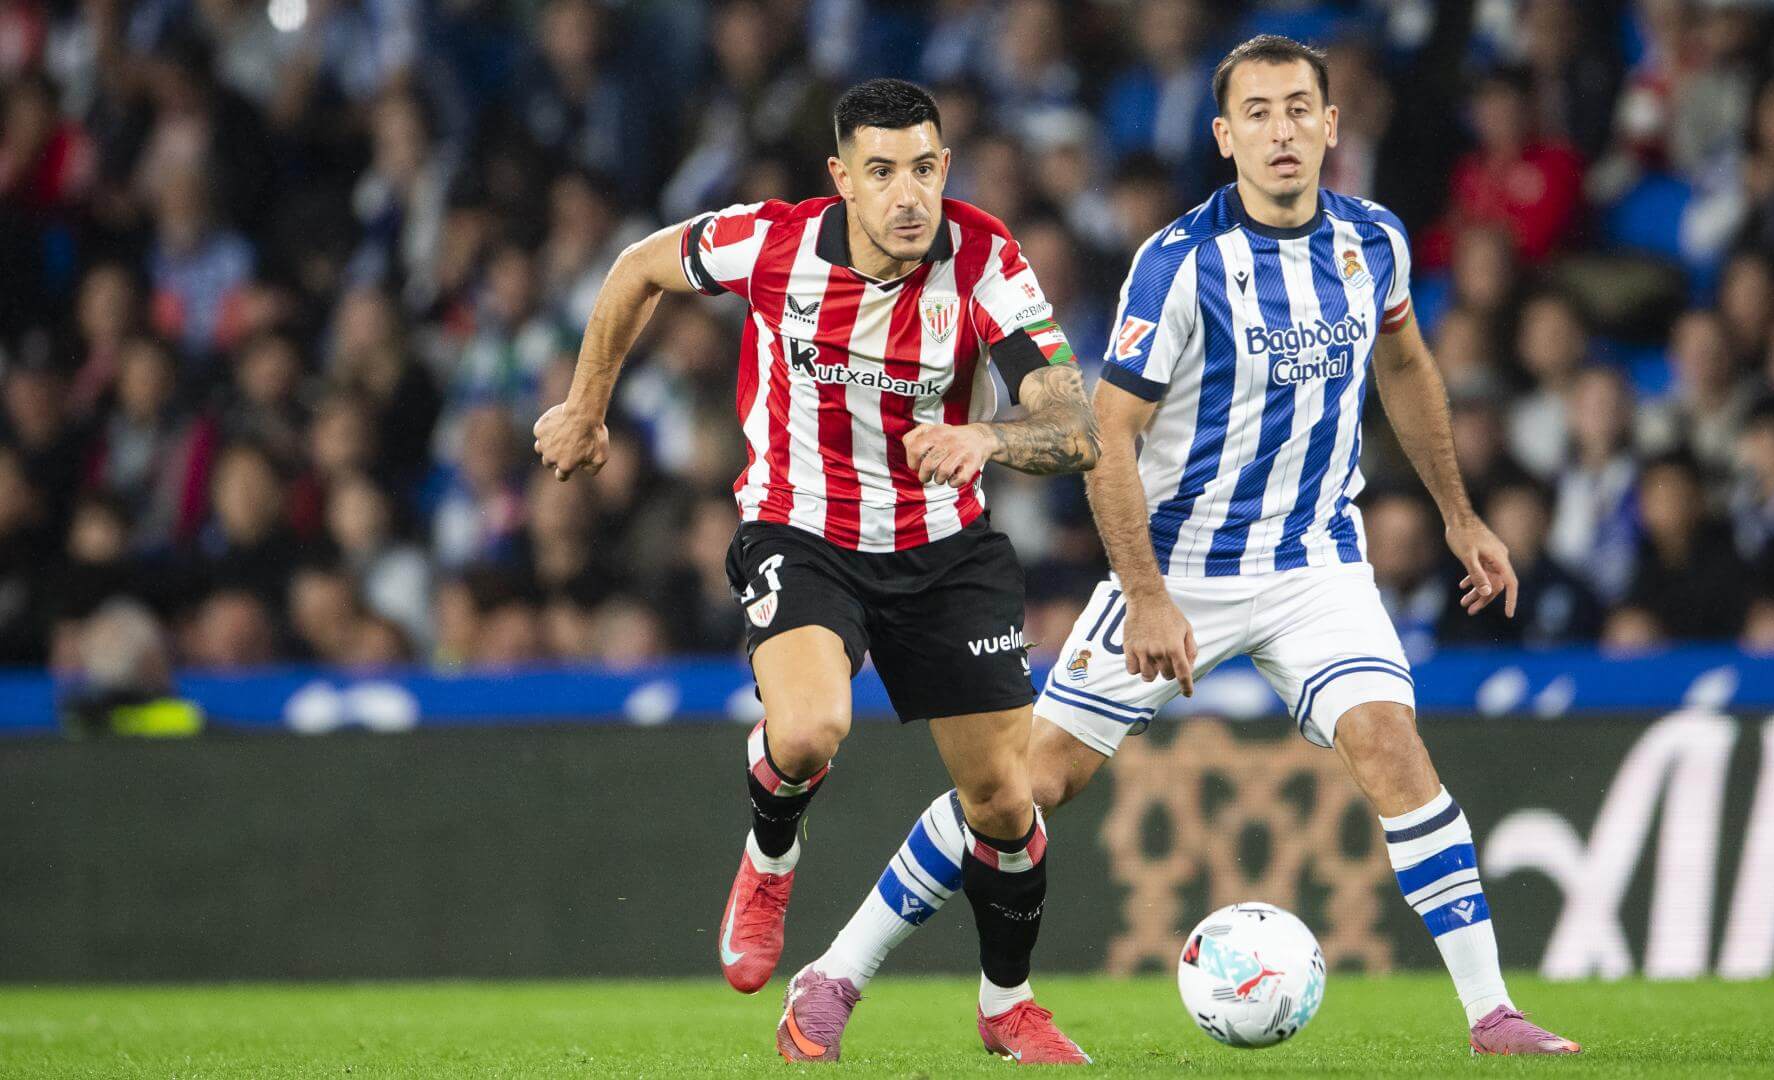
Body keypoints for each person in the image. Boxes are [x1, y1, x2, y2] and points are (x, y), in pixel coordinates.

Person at [798, 36, 1581, 1061]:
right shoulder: (1180, 264)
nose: (1282, 130)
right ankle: (837, 971)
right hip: (1180, 566)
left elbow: (1406, 363)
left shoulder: (1375, 240)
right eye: (1256, 113)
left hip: (1314, 565)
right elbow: (1106, 437)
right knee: (1025, 788)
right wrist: (1148, 594)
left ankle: (1492, 1015)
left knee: (1393, 749)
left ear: (1333, 125)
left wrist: (1459, 514)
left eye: (1300, 108)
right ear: (1225, 137)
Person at [532, 79, 1101, 1065]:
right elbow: (635, 270)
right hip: (804, 531)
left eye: (924, 167)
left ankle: (1007, 1004)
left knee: (1007, 802)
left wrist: (985, 435)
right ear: (843, 179)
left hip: (943, 545)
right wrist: (587, 408)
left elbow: (1072, 426)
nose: (908, 195)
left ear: (945, 170)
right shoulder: (772, 243)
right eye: (882, 172)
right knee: (806, 727)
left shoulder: (984, 260)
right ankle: (769, 858)